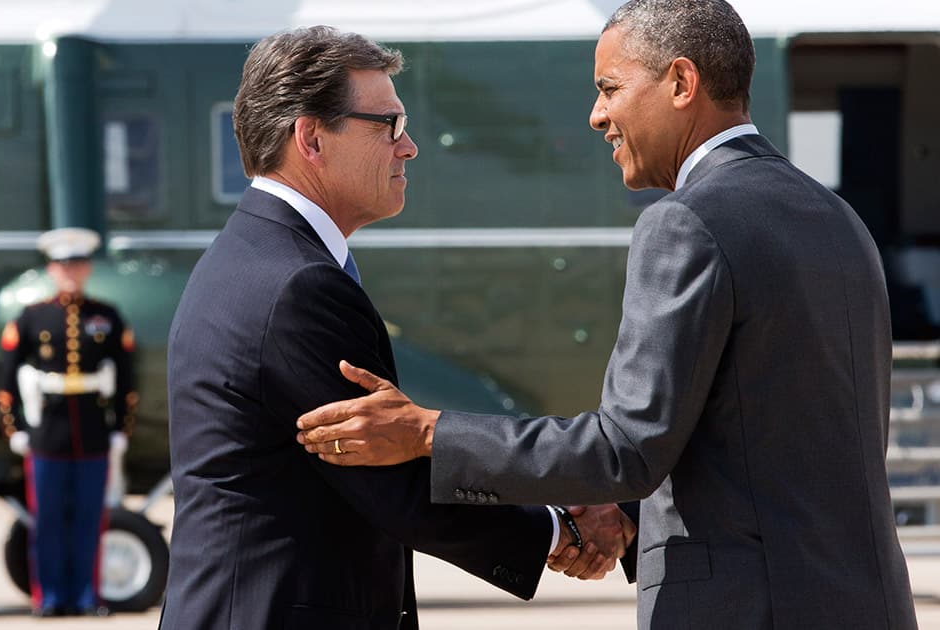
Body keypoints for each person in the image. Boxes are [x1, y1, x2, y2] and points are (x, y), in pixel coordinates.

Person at [296, 1, 920, 628]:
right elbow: (772, 439)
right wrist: (625, 514)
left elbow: (625, 447)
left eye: (610, 89)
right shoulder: (838, 220)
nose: (598, 116)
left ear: (681, 83)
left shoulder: (688, 222)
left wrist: (429, 431)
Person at [159, 25, 633, 630]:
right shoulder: (297, 285)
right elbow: (391, 478)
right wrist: (558, 527)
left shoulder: (250, 258)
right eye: (390, 126)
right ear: (310, 137)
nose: (408, 148)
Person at [0, 227, 137, 617]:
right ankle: (51, 597)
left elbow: (126, 380)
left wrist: (120, 429)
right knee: (49, 521)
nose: (70, 272)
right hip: (47, 435)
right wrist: (16, 430)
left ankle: (87, 596)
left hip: (92, 432)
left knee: (89, 519)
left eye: (76, 264)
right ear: (51, 269)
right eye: (63, 265)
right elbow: (7, 379)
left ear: (87, 268)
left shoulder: (106, 317)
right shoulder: (32, 317)